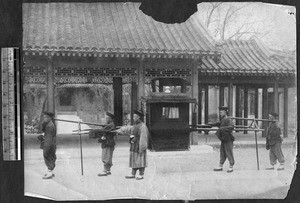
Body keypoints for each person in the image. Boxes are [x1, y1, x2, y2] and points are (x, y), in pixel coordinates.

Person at [116, 110, 149, 180]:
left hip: (139, 146)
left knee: (140, 160)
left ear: (138, 117)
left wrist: (142, 148)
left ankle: (141, 174)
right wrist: (120, 130)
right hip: (134, 145)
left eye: (134, 116)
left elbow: (143, 138)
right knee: (134, 159)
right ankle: (133, 173)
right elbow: (128, 129)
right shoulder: (135, 126)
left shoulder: (142, 126)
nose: (133, 118)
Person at [208, 106, 235, 173]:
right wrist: (211, 124)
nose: (220, 113)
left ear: (225, 112)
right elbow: (219, 123)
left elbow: (231, 127)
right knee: (222, 152)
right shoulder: (223, 119)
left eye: (221, 112)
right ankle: (220, 165)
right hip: (224, 138)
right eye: (220, 112)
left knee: (229, 152)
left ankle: (231, 166)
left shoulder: (228, 119)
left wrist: (221, 129)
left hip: (228, 138)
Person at [97, 112, 116, 176]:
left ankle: (105, 171)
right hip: (109, 142)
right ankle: (108, 170)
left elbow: (102, 131)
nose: (106, 119)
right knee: (108, 156)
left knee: (106, 156)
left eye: (107, 118)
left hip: (108, 143)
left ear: (110, 119)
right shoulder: (109, 124)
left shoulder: (110, 125)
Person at [41, 111, 57, 179]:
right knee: (50, 157)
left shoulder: (50, 126)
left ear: (50, 118)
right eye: (44, 117)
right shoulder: (48, 124)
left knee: (47, 156)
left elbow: (49, 138)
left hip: (49, 144)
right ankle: (50, 172)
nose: (45, 118)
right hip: (51, 143)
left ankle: (49, 173)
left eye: (47, 117)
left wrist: (47, 147)